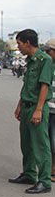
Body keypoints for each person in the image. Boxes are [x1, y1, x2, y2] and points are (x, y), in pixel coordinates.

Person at [10, 29, 54, 193]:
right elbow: (27, 85)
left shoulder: (45, 60)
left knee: (40, 146)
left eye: (19, 43)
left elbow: (44, 85)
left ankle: (44, 182)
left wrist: (39, 110)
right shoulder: (30, 61)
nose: (18, 47)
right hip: (27, 106)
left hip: (37, 107)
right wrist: (20, 105)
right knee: (27, 144)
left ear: (28, 43)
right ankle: (28, 174)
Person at [40, 38, 55, 182]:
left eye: (49, 52)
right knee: (47, 142)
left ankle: (52, 170)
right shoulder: (47, 66)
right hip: (48, 109)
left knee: (53, 142)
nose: (47, 54)